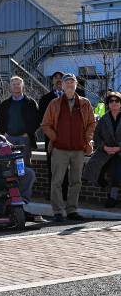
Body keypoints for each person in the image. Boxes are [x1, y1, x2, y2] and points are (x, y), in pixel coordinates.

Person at [41, 73, 96, 222]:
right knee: (57, 181)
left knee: (76, 181)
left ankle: (72, 210)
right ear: (62, 86)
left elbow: (92, 123)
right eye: (67, 82)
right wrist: (55, 138)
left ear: (76, 85)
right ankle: (58, 211)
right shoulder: (54, 103)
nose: (70, 84)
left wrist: (88, 139)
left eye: (72, 82)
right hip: (59, 149)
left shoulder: (85, 103)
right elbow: (45, 124)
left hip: (78, 149)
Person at [83, 91, 121, 207]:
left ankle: (113, 198)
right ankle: (109, 191)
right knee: (95, 171)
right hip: (105, 151)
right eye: (111, 101)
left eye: (117, 101)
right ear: (108, 104)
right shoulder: (103, 119)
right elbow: (96, 136)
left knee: (116, 173)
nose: (114, 103)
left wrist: (118, 148)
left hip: (119, 151)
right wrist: (105, 147)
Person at [37, 70, 68, 200]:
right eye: (56, 77)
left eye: (61, 77)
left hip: (67, 137)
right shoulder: (45, 99)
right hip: (51, 137)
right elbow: (43, 119)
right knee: (52, 165)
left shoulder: (72, 97)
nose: (58, 80)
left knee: (66, 165)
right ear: (52, 81)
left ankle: (65, 193)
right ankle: (53, 192)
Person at [0, 76, 40, 164]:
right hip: (8, 138)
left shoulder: (30, 103)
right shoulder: (5, 104)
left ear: (22, 86)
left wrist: (28, 133)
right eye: (14, 84)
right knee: (9, 165)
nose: (16, 86)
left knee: (25, 164)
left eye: (18, 84)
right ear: (10, 87)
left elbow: (37, 120)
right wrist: (4, 133)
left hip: (24, 139)